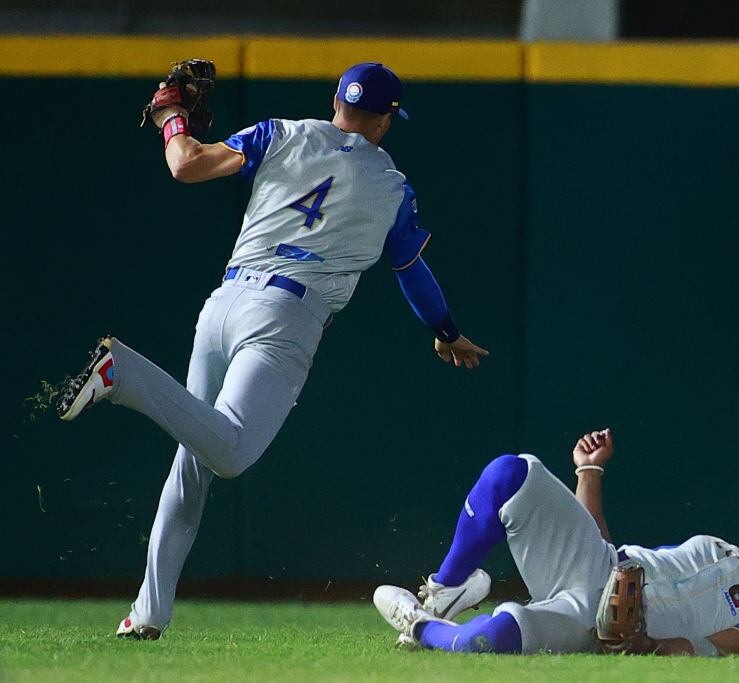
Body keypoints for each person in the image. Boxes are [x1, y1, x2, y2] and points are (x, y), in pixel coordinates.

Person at [54, 62, 488, 639]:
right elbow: (411, 270)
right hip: (286, 316)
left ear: (336, 100)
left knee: (193, 461)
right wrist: (446, 329)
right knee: (229, 453)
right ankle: (122, 374)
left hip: (225, 301)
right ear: (385, 121)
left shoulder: (281, 132)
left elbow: (185, 164)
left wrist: (171, 117)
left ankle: (148, 613)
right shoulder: (391, 186)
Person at [374, 428, 739, 656]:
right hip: (596, 568)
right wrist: (590, 471)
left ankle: (420, 628)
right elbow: (603, 548)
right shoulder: (722, 547)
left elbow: (723, 648)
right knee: (511, 472)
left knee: (491, 638)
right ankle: (444, 592)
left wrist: (649, 645)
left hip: (605, 628)